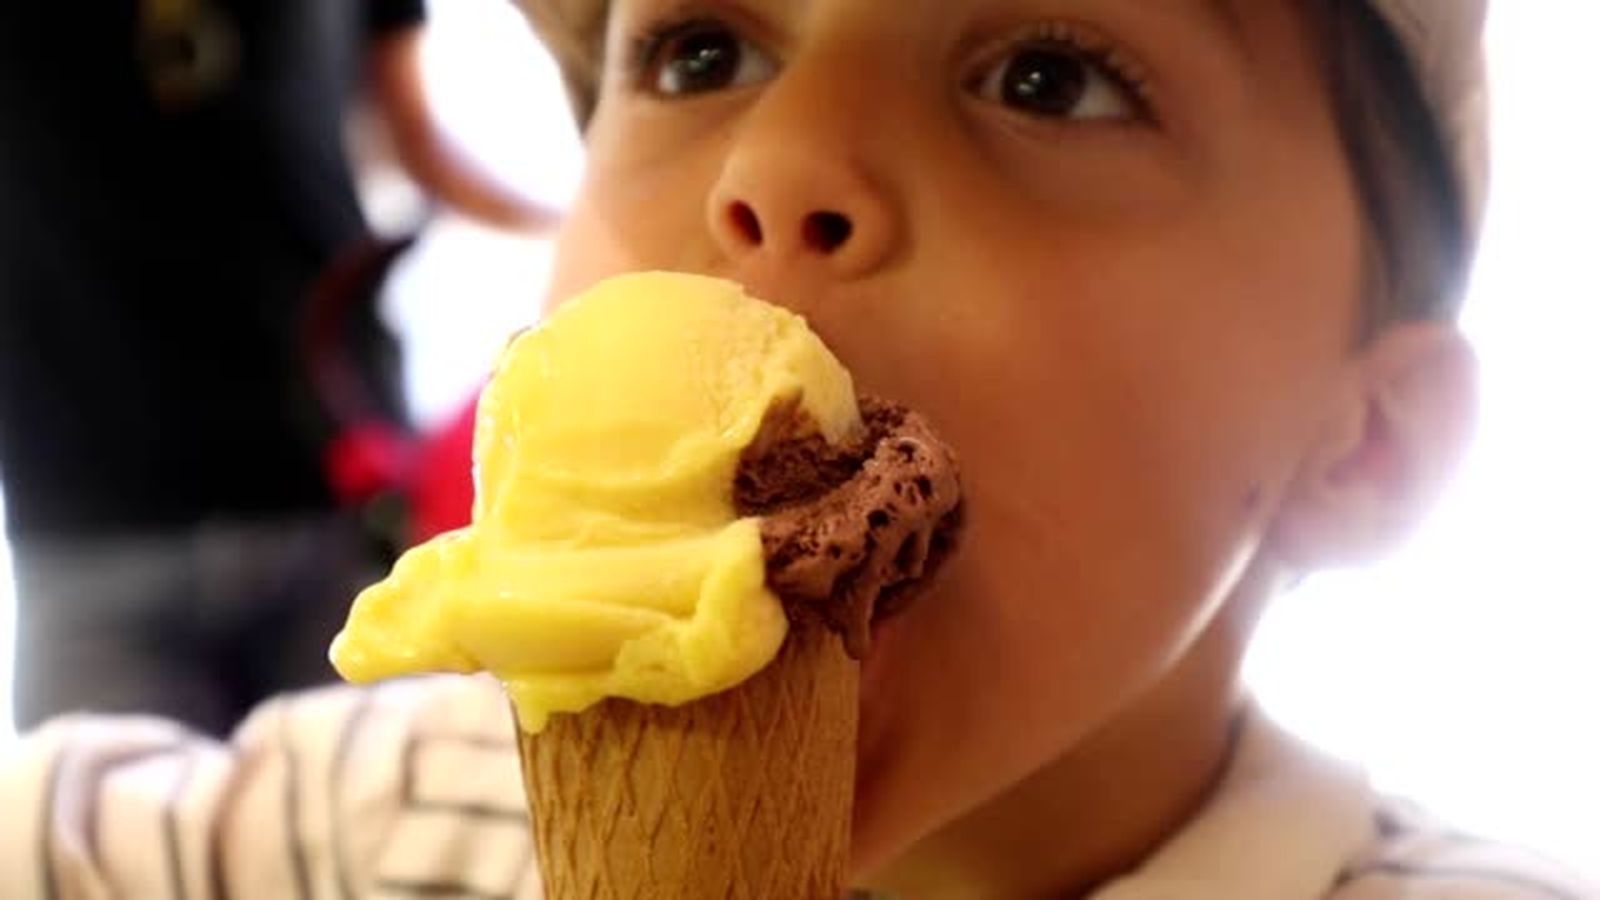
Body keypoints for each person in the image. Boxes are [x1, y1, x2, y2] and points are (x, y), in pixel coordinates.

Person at [1, 0, 1595, 897]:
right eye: (700, 51)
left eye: (1050, 80)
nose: (781, 164)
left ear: (1364, 448)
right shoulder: (381, 814)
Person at [0, 0, 550, 735]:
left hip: (334, 492)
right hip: (84, 528)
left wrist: (589, 223)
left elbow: (417, 140)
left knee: (388, 804)